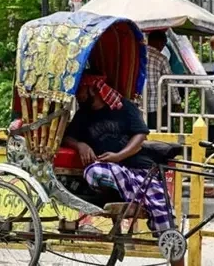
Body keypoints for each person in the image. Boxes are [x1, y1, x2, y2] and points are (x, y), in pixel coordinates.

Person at [63, 74, 182, 266]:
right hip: (109, 169)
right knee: (93, 172)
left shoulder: (124, 107)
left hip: (139, 168)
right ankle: (129, 198)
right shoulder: (83, 114)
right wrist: (81, 145)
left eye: (82, 90)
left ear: (93, 89)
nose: (78, 94)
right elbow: (68, 137)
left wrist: (119, 156)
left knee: (166, 221)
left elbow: (140, 136)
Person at [145, 30, 180, 130]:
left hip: (139, 106)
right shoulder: (161, 59)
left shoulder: (137, 54)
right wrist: (177, 102)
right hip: (156, 106)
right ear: (160, 43)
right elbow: (170, 82)